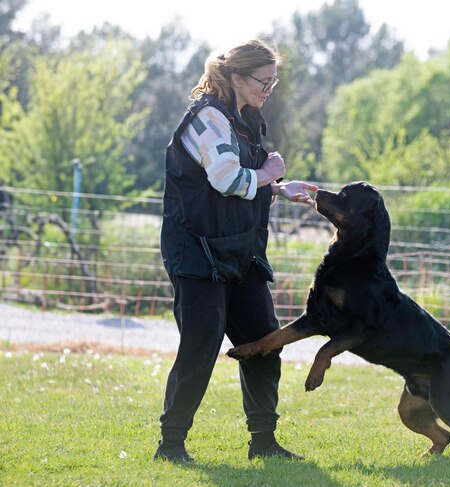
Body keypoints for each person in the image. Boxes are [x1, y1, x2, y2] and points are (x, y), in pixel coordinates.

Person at [155, 38, 318, 463]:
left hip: (239, 252)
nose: (269, 89)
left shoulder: (243, 119)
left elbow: (239, 186)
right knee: (200, 343)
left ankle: (263, 441)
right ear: (236, 77)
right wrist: (268, 172)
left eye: (273, 81)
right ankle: (170, 446)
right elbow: (229, 180)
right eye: (263, 81)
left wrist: (279, 189)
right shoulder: (208, 116)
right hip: (197, 253)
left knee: (264, 340)